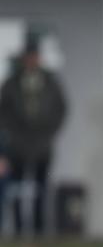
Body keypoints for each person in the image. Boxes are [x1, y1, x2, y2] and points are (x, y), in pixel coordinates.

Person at [0, 35, 67, 236]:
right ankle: (19, 229)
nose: (31, 60)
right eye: (28, 56)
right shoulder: (12, 83)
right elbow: (4, 111)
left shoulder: (50, 82)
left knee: (41, 188)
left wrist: (49, 132)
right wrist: (12, 133)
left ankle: (39, 229)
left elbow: (60, 109)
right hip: (18, 145)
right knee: (17, 188)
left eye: (34, 56)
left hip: (42, 144)